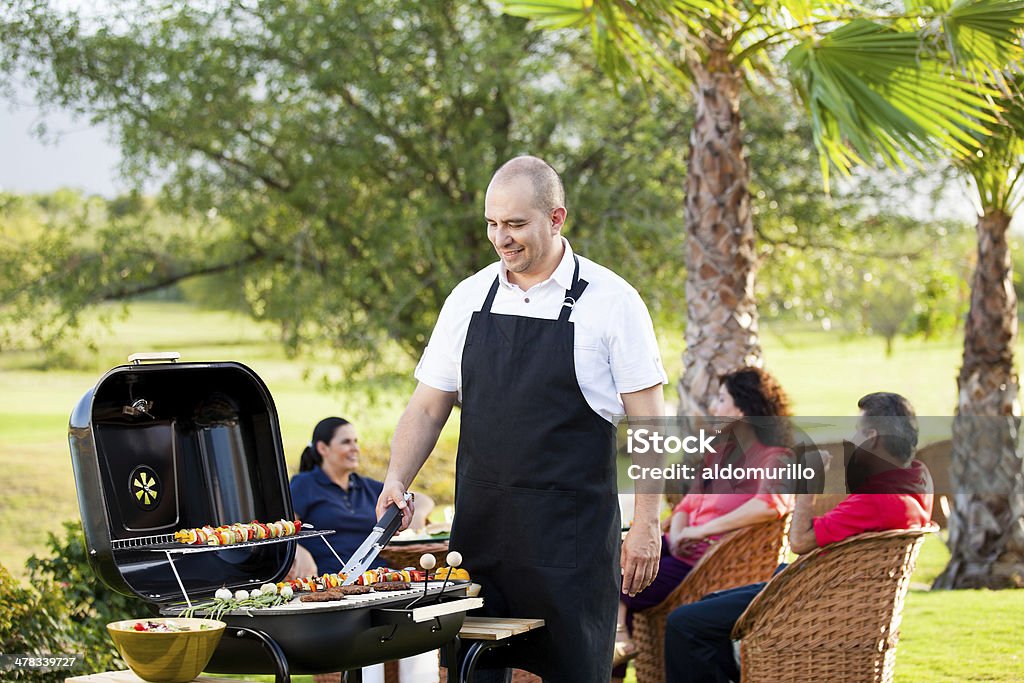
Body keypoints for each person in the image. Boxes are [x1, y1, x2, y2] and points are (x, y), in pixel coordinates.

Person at [376, 155, 668, 682]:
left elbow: (650, 423)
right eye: (492, 223)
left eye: (515, 224)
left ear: (556, 218)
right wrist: (398, 477)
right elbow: (426, 404)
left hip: (571, 546)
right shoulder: (469, 298)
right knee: (474, 674)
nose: (501, 238)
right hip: (482, 539)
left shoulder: (612, 303)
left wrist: (646, 523)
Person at [664, 392, 934, 683]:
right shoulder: (915, 482)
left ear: (872, 437)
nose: (852, 439)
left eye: (857, 431)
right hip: (824, 588)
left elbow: (800, 543)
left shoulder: (878, 499)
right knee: (708, 606)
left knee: (684, 622)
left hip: (808, 596)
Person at [612, 368, 796, 680]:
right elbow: (689, 502)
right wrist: (682, 528)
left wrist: (700, 531)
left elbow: (772, 504)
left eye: (721, 399)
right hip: (679, 548)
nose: (713, 408)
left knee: (621, 577)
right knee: (610, 561)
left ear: (742, 409)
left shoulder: (775, 458)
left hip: (710, 563)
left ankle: (619, 641)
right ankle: (618, 644)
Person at [289, 417, 436, 683]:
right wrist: (297, 548)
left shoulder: (365, 486)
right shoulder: (304, 485)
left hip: (382, 580)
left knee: (422, 626)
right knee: (366, 638)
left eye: (356, 441)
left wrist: (418, 512)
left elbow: (422, 498)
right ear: (323, 448)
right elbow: (285, 524)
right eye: (346, 442)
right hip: (337, 584)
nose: (355, 447)